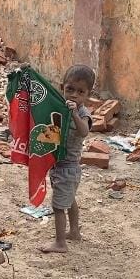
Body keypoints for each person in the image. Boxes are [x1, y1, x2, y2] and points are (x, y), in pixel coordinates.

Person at [40, 65, 95, 253]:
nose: (74, 95)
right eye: (70, 89)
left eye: (80, 92)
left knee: (58, 207)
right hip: (59, 164)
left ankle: (60, 243)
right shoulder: (60, 106)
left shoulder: (83, 113)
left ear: (88, 95)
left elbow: (84, 131)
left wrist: (74, 114)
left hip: (68, 167)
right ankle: (74, 232)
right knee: (70, 200)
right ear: (62, 87)